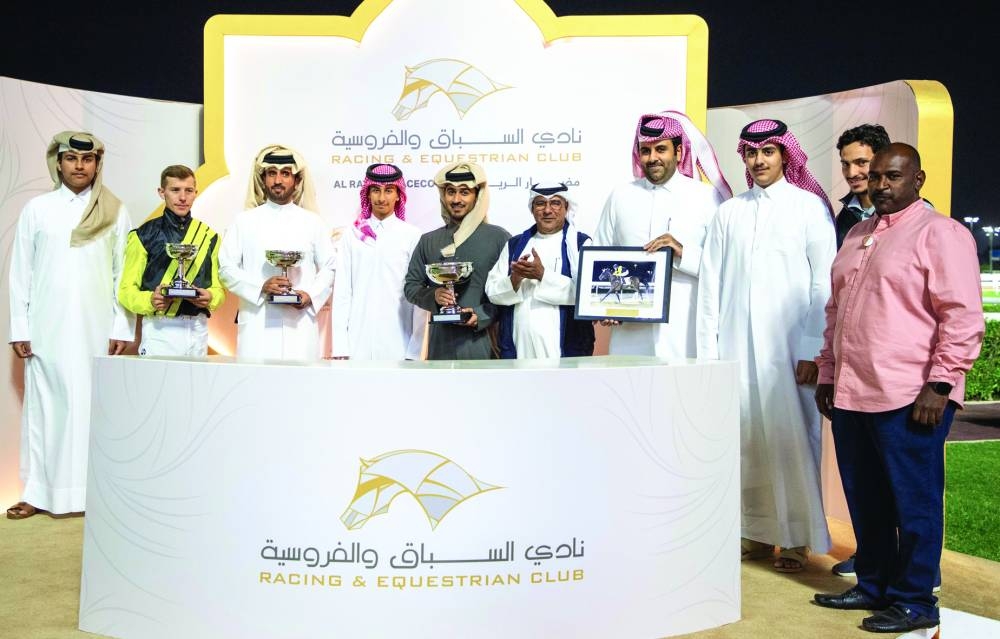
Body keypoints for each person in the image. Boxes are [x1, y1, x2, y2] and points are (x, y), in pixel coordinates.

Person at [812, 143, 983, 634]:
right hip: (851, 391)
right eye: (876, 176)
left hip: (911, 395)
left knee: (914, 502)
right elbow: (835, 312)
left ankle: (915, 600)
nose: (881, 185)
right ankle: (874, 584)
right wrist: (828, 372)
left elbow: (963, 317)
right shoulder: (858, 235)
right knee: (866, 497)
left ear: (917, 180)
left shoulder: (941, 234)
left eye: (893, 176)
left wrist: (941, 383)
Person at [697, 119, 836, 572]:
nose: (758, 161)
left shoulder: (808, 207)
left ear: (785, 156)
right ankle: (754, 532)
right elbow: (711, 288)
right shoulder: (729, 212)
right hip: (735, 347)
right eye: (751, 154)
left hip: (789, 349)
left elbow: (824, 282)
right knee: (745, 438)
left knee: (791, 438)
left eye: (768, 153)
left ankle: (797, 539)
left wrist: (814, 347)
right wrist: (709, 354)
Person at [7, 131, 135, 519]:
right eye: (71, 159)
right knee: (44, 408)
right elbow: (20, 273)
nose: (80, 166)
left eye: (88, 159)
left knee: (92, 408)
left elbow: (122, 274)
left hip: (97, 329)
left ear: (97, 164)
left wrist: (122, 327)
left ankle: (93, 493)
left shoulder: (114, 211)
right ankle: (37, 492)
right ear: (58, 163)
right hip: (46, 327)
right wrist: (20, 328)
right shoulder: (37, 209)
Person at [594, 110, 731, 358]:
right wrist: (605, 307)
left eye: (661, 149)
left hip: (684, 330)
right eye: (645, 150)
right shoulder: (620, 196)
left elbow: (724, 267)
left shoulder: (706, 197)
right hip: (630, 332)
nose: (652, 158)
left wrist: (682, 253)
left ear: (678, 152)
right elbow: (600, 257)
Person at [219, 145, 336, 361]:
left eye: (285, 174)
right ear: (263, 179)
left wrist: (310, 294)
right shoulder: (243, 221)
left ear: (297, 181)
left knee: (301, 389)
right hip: (257, 323)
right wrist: (259, 287)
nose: (278, 181)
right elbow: (226, 268)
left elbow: (330, 266)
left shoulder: (313, 222)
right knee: (255, 390)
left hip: (299, 325)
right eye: (272, 173)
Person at [404, 162, 510, 360]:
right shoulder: (429, 240)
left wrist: (483, 314)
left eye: (464, 192)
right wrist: (434, 296)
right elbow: (411, 287)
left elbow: (510, 292)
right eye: (450, 191)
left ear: (477, 196)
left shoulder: (499, 238)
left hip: (484, 344)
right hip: (440, 346)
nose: (456, 199)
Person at [117, 165, 224, 356]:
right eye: (175, 190)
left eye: (188, 190)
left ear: (195, 193)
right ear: (161, 192)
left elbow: (217, 288)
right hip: (160, 328)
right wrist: (150, 300)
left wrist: (211, 297)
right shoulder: (142, 236)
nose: (182, 197)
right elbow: (126, 290)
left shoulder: (210, 237)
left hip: (198, 328)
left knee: (196, 386)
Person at [486, 182, 594, 358]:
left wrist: (542, 275)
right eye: (540, 203)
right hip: (520, 347)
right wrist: (515, 279)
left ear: (566, 207)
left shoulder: (581, 244)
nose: (547, 210)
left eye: (555, 203)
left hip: (565, 347)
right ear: (532, 209)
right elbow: (492, 291)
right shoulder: (514, 245)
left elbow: (587, 295)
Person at [332, 163, 426, 360]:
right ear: (368, 194)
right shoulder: (353, 234)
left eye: (389, 191)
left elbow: (418, 298)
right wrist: (341, 347)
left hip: (398, 343)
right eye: (376, 190)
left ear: (398, 194)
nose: (382, 198)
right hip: (357, 343)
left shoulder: (412, 236)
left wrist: (414, 351)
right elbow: (342, 293)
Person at [834, 124, 891, 249]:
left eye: (861, 162)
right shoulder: (843, 217)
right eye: (845, 164)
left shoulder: (909, 212)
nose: (851, 173)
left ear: (884, 161)